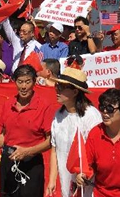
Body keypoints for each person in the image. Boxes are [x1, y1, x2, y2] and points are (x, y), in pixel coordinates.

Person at [0, 65, 53, 197]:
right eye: (20, 82)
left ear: (34, 82)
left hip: (31, 164)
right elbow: (4, 135)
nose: (23, 87)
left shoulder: (44, 106)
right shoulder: (8, 104)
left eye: (27, 82)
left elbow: (50, 141)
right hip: (8, 160)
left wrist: (27, 151)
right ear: (15, 82)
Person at [46, 67, 102, 197]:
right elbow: (54, 149)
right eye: (57, 85)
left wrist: (84, 175)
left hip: (86, 183)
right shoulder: (58, 115)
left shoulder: (91, 116)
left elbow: (97, 151)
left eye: (62, 87)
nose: (57, 90)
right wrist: (52, 179)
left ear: (75, 91)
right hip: (65, 181)